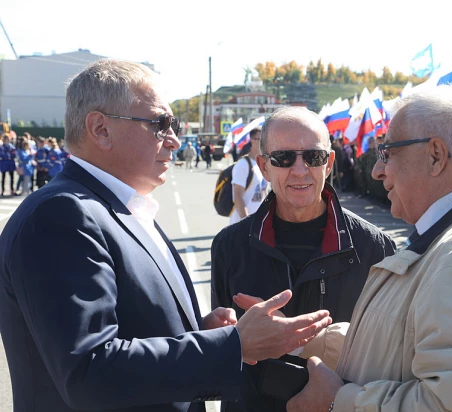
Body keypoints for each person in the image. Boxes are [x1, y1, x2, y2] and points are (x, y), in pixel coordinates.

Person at [0, 59, 332, 412]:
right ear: (100, 129)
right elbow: (90, 370)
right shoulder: (62, 214)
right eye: (160, 124)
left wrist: (197, 331)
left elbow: (131, 329)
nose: (174, 140)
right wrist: (232, 346)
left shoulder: (118, 207)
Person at [279, 86, 452, 412]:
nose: (378, 171)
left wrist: (338, 401)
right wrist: (303, 339)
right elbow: (408, 341)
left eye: (388, 152)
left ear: (435, 155)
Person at [211, 106, 396, 412]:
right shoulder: (229, 247)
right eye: (284, 158)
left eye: (313, 157)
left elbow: (391, 356)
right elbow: (225, 356)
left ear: (329, 163)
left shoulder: (375, 248)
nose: (300, 170)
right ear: (264, 166)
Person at [228, 126, 268, 226]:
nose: (263, 143)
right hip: (242, 227)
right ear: (252, 140)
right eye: (260, 139)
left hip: (258, 225)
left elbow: (264, 194)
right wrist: (247, 225)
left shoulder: (264, 164)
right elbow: (238, 197)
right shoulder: (243, 164)